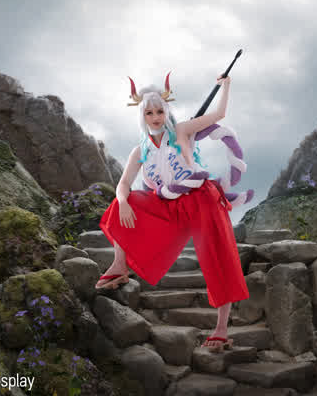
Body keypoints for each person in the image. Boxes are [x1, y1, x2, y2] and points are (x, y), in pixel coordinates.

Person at [95, 72, 250, 353]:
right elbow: (123, 184)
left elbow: (219, 114)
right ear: (142, 116)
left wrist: (225, 85)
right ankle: (120, 265)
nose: (155, 117)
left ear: (166, 111)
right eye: (149, 112)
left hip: (201, 199)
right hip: (169, 204)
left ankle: (221, 329)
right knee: (121, 204)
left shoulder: (182, 132)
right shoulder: (140, 150)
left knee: (217, 257)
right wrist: (125, 201)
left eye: (159, 111)